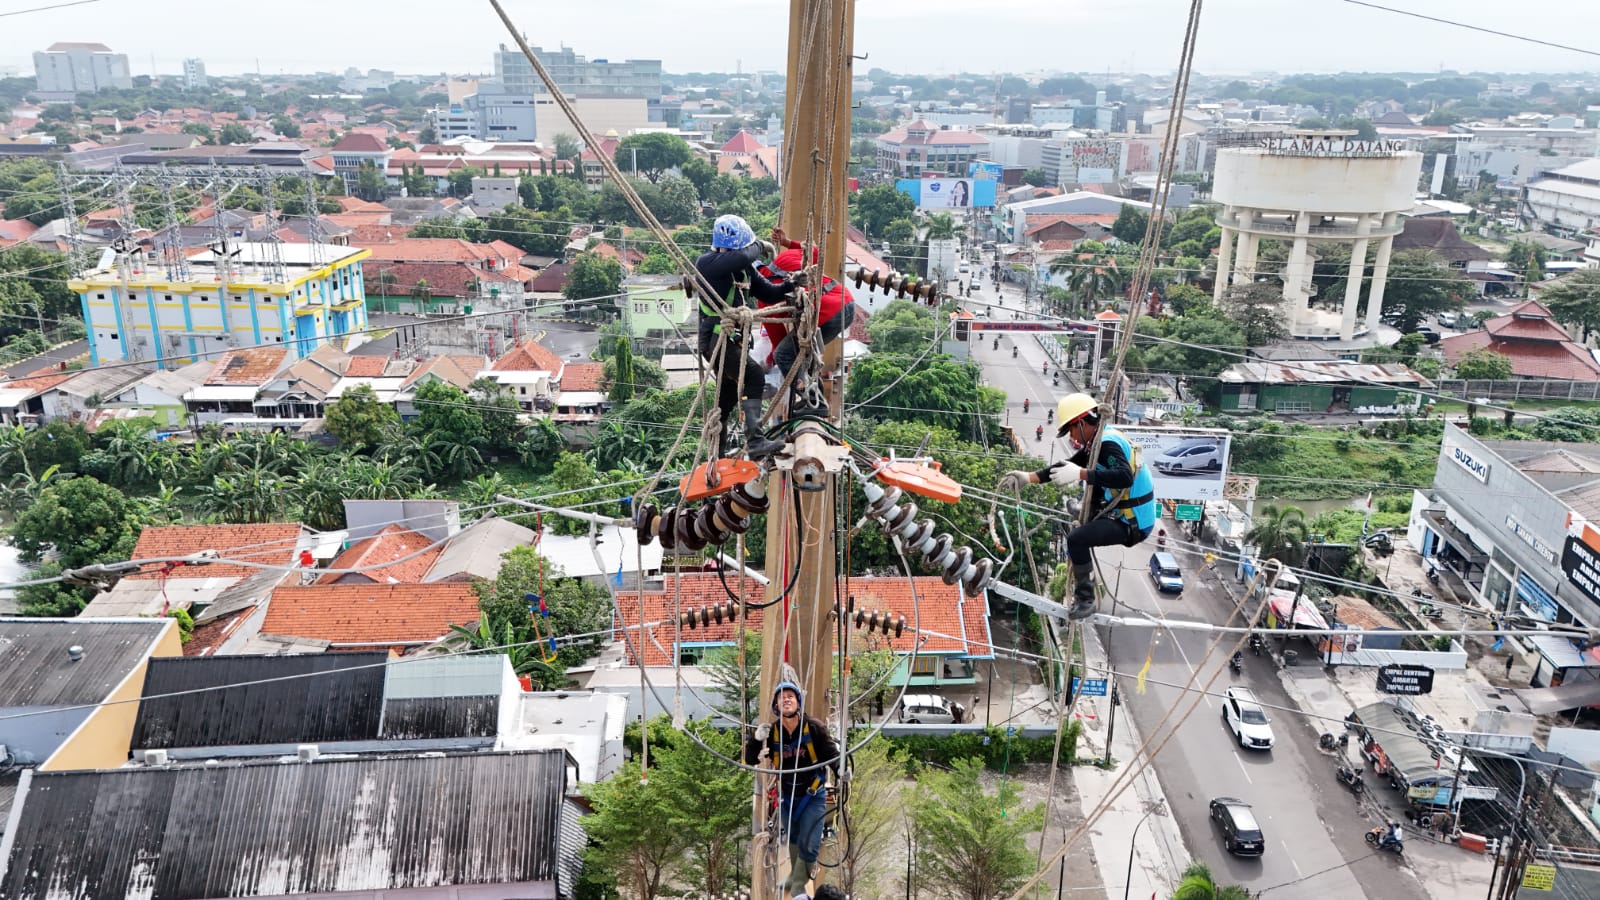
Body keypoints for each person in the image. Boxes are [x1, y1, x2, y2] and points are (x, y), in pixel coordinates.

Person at [996, 393, 1157, 619]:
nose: (1072, 436)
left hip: (1133, 524)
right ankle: (1086, 510)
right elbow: (1067, 465)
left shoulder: (1107, 444)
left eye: (1071, 430)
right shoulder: (1097, 442)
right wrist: (1029, 477)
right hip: (1122, 513)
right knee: (1093, 482)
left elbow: (1124, 477)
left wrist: (1082, 474)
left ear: (1081, 423)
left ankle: (1086, 599)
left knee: (1076, 539)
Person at [696, 215, 799, 458]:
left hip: (733, 341)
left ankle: (716, 457)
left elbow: (769, 293)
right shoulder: (707, 264)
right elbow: (743, 255)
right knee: (753, 376)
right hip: (717, 339)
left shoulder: (744, 271)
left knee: (727, 398)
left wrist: (791, 284)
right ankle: (755, 441)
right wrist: (760, 246)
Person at [746, 681, 841, 900]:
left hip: (812, 793)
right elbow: (750, 759)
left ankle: (799, 884)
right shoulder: (773, 732)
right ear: (776, 706)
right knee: (794, 838)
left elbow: (831, 754)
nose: (786, 699)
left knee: (810, 841)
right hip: (788, 795)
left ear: (798, 702)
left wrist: (841, 772)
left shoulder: (813, 727)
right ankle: (793, 877)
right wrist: (756, 739)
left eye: (791, 696)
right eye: (781, 697)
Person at [763, 228, 857, 380]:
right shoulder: (785, 258)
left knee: (784, 355)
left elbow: (779, 343)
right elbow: (812, 251)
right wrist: (787, 242)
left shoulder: (766, 297)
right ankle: (812, 391)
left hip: (828, 315)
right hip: (846, 301)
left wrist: (767, 364)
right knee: (805, 354)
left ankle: (808, 397)